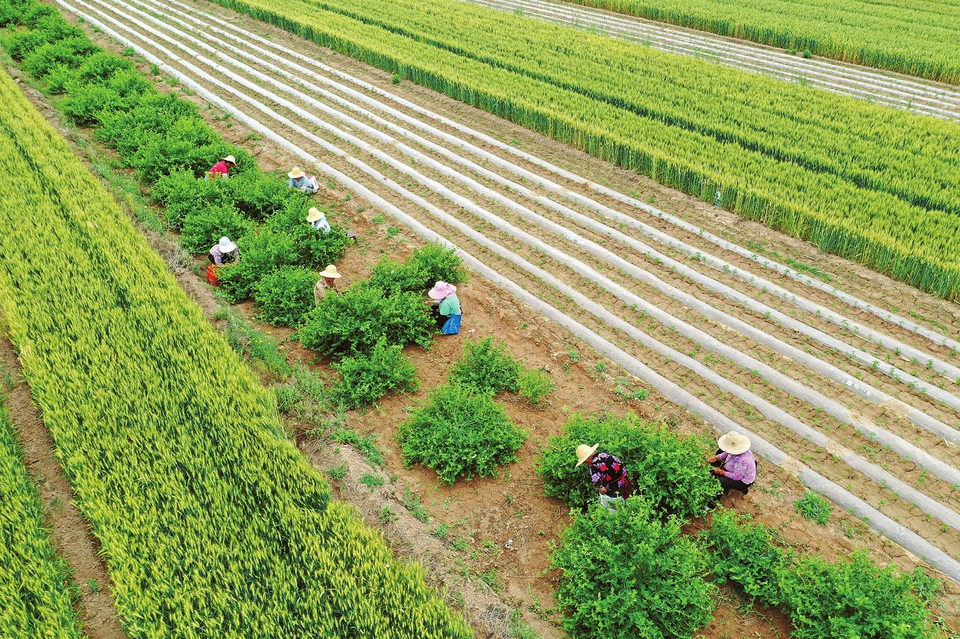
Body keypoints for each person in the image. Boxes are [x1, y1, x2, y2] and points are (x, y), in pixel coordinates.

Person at [575, 444, 630, 513]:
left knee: (612, 512)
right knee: (624, 510)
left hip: (613, 495)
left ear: (587, 459)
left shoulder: (594, 467)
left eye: (584, 461)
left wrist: (600, 489)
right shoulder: (607, 455)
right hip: (626, 487)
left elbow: (602, 490)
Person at [708, 431, 757, 496]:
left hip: (741, 479)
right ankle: (714, 473)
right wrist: (717, 457)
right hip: (737, 468)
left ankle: (714, 501)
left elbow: (737, 476)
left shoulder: (743, 460)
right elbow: (727, 452)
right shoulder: (737, 449)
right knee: (721, 450)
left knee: (721, 481)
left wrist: (722, 472)